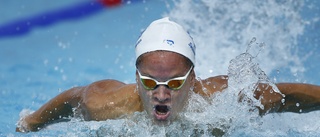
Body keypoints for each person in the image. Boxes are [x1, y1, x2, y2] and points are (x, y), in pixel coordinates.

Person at [16, 17, 320, 132]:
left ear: (192, 78)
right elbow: (72, 99)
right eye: (149, 82)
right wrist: (31, 122)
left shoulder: (225, 100)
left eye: (174, 83)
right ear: (135, 77)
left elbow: (285, 94)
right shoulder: (106, 105)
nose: (161, 95)